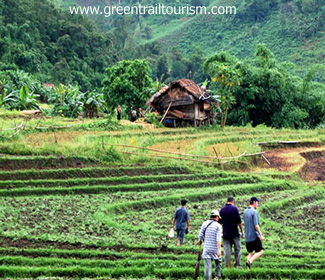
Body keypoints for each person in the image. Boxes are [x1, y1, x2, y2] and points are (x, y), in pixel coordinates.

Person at [220, 196, 244, 269]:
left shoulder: (222, 210)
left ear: (227, 201)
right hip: (235, 233)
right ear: (232, 202)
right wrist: (242, 231)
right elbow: (239, 222)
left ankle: (227, 266)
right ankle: (238, 265)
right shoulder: (235, 209)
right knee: (238, 249)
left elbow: (219, 222)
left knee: (227, 251)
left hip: (226, 234)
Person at [198, 210, 222, 280]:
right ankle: (217, 277)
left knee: (207, 268)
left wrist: (200, 241)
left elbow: (200, 236)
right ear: (217, 217)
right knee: (219, 262)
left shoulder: (204, 223)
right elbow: (218, 239)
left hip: (207, 249)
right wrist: (219, 250)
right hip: (215, 249)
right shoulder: (218, 226)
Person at [243, 197, 264, 270]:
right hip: (254, 236)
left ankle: (248, 270)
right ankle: (250, 261)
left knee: (250, 253)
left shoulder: (245, 211)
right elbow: (256, 225)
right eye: (257, 203)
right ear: (254, 202)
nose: (257, 205)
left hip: (247, 237)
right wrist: (260, 235)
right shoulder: (254, 212)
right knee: (260, 251)